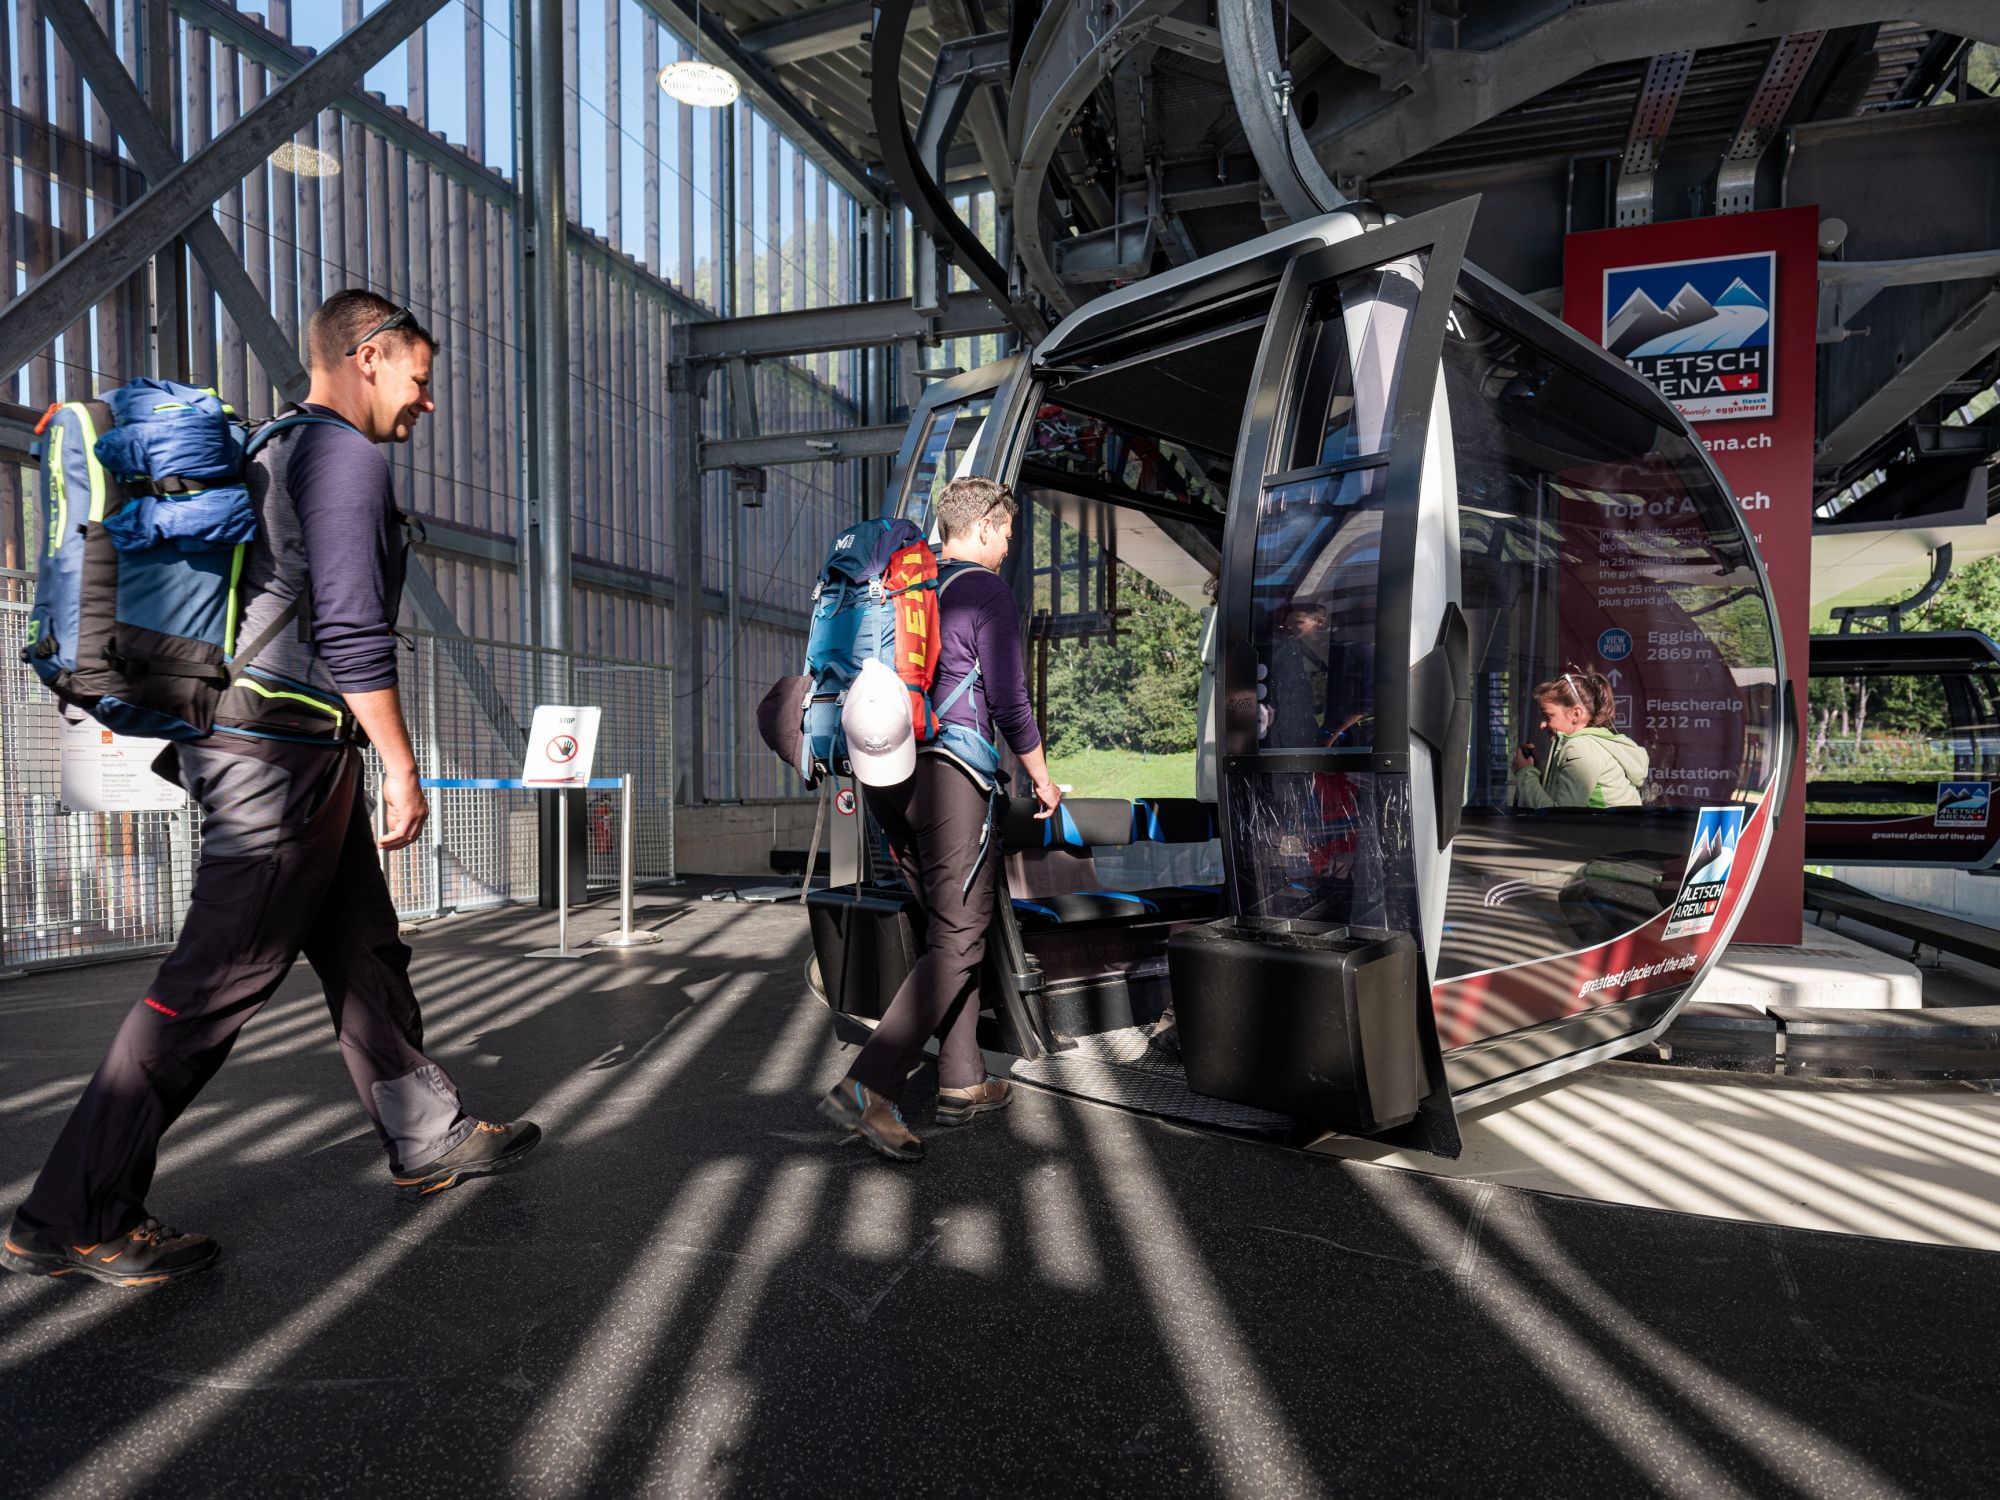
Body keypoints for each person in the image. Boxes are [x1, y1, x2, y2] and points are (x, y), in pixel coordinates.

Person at [2, 290, 541, 1289]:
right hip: (279, 758)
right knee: (212, 985)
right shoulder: (340, 456)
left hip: (284, 748)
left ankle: (428, 1134)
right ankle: (69, 1213)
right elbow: (347, 631)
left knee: (360, 948)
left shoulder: (277, 448)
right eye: (420, 380)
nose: (427, 404)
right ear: (370, 357)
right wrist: (403, 766)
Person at [818, 477, 1062, 1163]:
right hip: (952, 775)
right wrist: (1042, 779)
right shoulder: (984, 592)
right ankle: (870, 1087)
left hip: (887, 772)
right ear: (983, 527)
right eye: (1008, 534)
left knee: (944, 929)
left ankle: (962, 1081)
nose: (1009, 547)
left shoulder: (899, 592)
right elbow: (1011, 705)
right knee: (959, 936)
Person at [1510, 666, 1648, 809]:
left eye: (1548, 716)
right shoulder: (1591, 745)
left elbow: (1561, 819)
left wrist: (1525, 773)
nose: (1542, 725)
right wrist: (1536, 769)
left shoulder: (1580, 748)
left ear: (1576, 714)